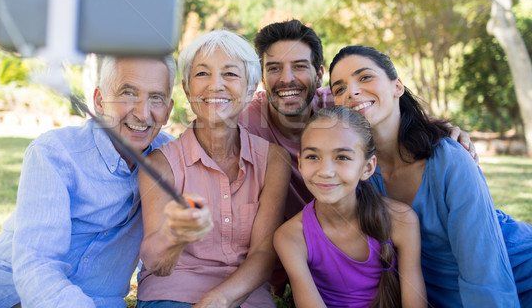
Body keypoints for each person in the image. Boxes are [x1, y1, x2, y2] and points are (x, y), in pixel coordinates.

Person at [0, 55, 176, 308]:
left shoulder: (171, 158)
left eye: (156, 98)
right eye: (127, 93)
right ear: (99, 101)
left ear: (168, 110)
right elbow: (37, 263)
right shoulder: (55, 152)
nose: (142, 113)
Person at [329, 45, 532, 307]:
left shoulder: (450, 159)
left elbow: (486, 274)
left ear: (397, 87)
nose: (352, 91)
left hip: (515, 277)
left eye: (365, 77)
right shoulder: (359, 175)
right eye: (339, 88)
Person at [239, 19, 478, 219]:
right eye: (274, 68)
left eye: (300, 66)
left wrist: (444, 128)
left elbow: (393, 112)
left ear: (320, 74)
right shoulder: (245, 120)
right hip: (299, 247)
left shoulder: (343, 103)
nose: (286, 78)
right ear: (261, 77)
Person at [136, 30, 291, 308]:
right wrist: (176, 234)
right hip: (173, 294)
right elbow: (156, 263)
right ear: (186, 89)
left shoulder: (274, 161)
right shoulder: (161, 164)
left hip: (246, 295)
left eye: (230, 74)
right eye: (202, 74)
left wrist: (217, 300)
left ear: (251, 88)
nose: (215, 85)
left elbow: (263, 253)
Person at [274, 105, 427, 307]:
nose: (326, 171)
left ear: (367, 167)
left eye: (342, 157)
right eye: (313, 157)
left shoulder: (401, 220)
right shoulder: (291, 237)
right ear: (300, 164)